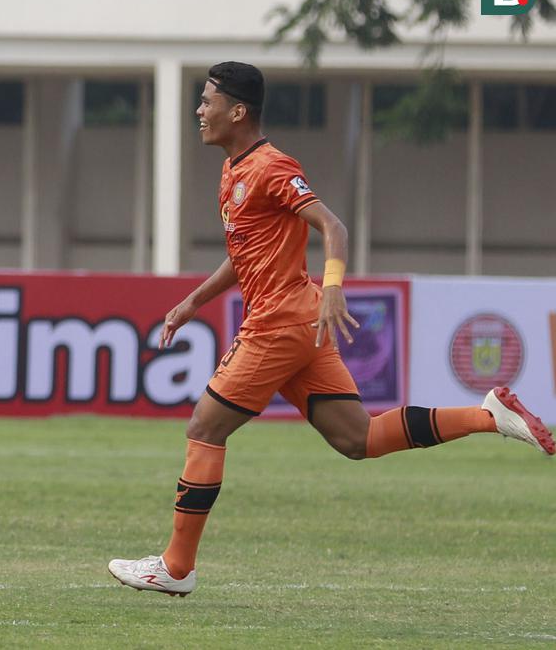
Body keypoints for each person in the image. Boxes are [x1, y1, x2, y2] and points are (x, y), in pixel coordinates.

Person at [108, 61, 554, 597]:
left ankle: (176, 569)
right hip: (297, 326)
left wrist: (336, 286)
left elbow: (332, 226)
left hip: (279, 325)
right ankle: (489, 417)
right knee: (356, 438)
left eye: (207, 101)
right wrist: (192, 302)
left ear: (238, 110)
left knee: (205, 428)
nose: (199, 112)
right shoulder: (233, 170)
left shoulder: (271, 166)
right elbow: (243, 254)